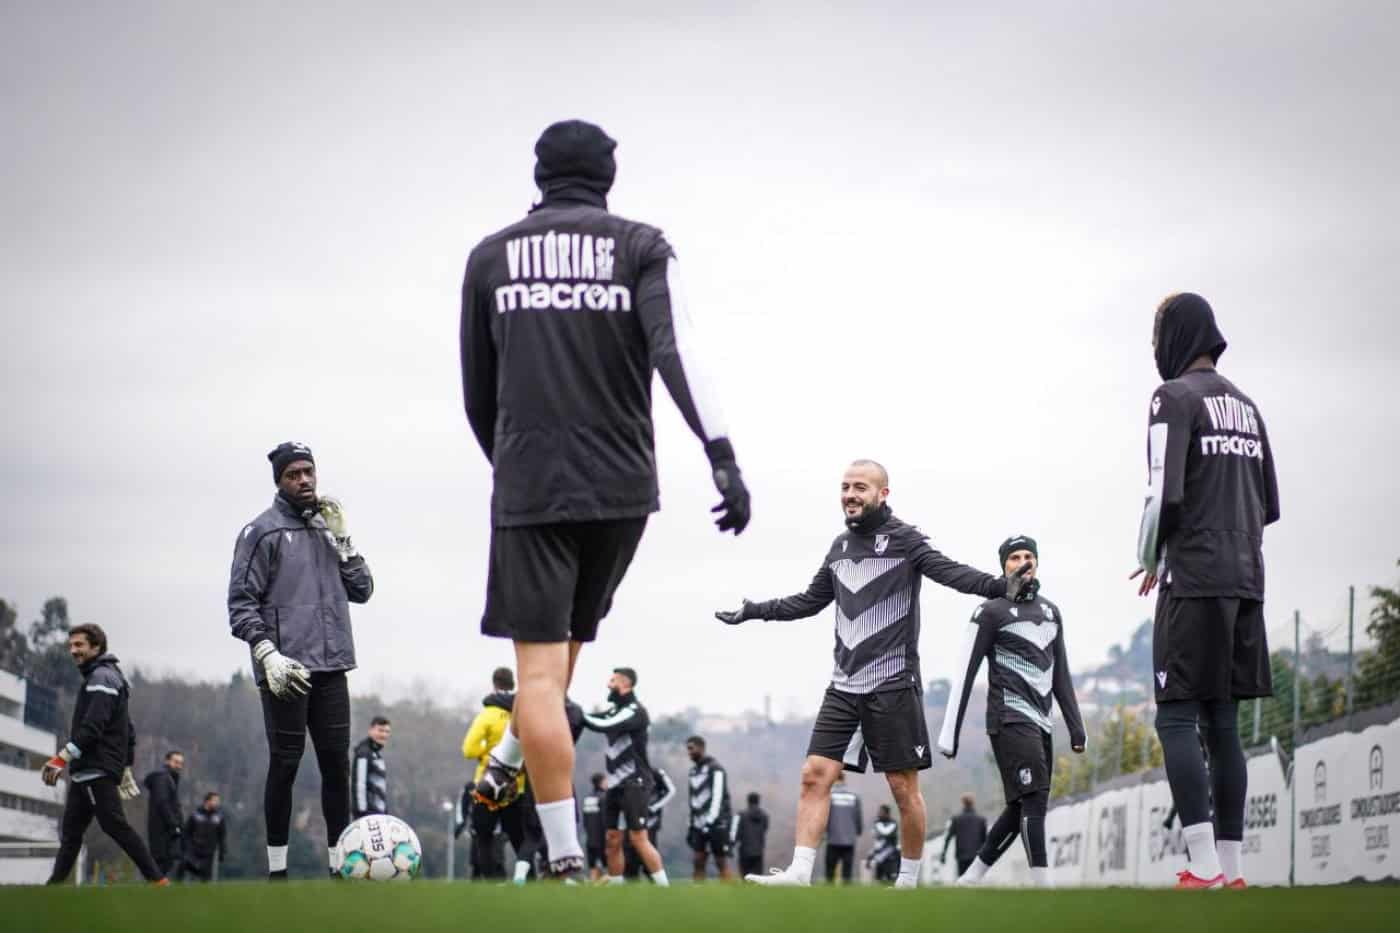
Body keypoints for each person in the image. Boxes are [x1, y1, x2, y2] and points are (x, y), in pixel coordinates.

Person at [461, 119, 751, 880]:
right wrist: (719, 453)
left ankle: (560, 856)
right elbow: (675, 348)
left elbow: (475, 391)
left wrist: (516, 467)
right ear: (608, 177)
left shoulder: (490, 257)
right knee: (566, 656)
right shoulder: (642, 245)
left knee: (539, 678)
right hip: (622, 489)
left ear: (539, 174)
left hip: (531, 485)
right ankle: (515, 753)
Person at [716, 460, 1032, 888]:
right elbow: (809, 601)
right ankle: (799, 873)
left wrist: (1001, 586)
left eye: (860, 487)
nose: (850, 494)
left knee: (903, 790)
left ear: (883, 494)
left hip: (893, 685)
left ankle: (907, 880)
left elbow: (951, 572)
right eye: (845, 487)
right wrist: (755, 611)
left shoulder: (905, 540)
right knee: (814, 774)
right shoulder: (839, 548)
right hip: (843, 685)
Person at [1133, 293, 1279, 889]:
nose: (1153, 350)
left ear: (1177, 336)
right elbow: (1269, 505)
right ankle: (1233, 871)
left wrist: (1150, 556)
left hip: (1193, 576)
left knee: (1175, 717)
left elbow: (1162, 489)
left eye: (1156, 336)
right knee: (1224, 722)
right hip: (1246, 577)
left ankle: (1202, 867)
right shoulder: (1247, 405)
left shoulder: (1172, 397)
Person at [227, 441, 375, 879]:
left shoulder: (328, 529)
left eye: (309, 471)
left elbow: (363, 590)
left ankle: (339, 867)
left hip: (332, 667)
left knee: (336, 767)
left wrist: (344, 540)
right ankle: (278, 871)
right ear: (279, 481)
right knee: (285, 764)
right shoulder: (261, 532)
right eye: (294, 474)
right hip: (285, 671)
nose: (304, 480)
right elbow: (240, 604)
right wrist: (267, 652)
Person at [939, 536, 1086, 887]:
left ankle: (971, 878)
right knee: (1034, 797)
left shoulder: (1051, 612)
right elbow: (964, 673)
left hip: (1042, 721)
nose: (1023, 562)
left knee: (1023, 804)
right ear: (1003, 565)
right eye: (1014, 557)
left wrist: (1076, 727)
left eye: (1029, 556)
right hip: (1008, 718)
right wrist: (950, 734)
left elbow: (1061, 672)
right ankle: (1043, 886)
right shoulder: (990, 611)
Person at [43, 624, 166, 885]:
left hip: (94, 769)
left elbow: (92, 728)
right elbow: (128, 730)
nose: (73, 650)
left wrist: (59, 759)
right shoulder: (105, 676)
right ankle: (52, 889)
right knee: (72, 835)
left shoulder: (101, 678)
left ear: (96, 647)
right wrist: (126, 765)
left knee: (114, 825)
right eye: (71, 645)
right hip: (87, 770)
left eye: (79, 645)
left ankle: (158, 881)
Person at [579, 668, 669, 885]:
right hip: (615, 785)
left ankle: (665, 888)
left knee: (638, 838)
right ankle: (618, 891)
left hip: (635, 783)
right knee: (612, 839)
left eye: (612, 680)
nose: (608, 684)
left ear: (626, 685)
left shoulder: (635, 711)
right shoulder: (614, 710)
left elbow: (601, 724)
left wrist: (577, 714)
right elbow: (592, 718)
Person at [463, 669, 526, 879]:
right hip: (517, 785)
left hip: (487, 783)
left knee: (484, 836)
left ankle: (489, 882)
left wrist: (489, 753)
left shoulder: (487, 714)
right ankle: (529, 878)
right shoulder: (522, 713)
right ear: (513, 684)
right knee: (519, 838)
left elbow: (468, 750)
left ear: (494, 685)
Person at [685, 735, 734, 881]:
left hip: (717, 823)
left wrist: (710, 820)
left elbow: (718, 796)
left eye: (691, 748)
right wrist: (691, 822)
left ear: (701, 748)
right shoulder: (693, 771)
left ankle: (732, 897)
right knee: (698, 861)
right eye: (687, 749)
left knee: (721, 861)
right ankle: (698, 895)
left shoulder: (716, 768)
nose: (689, 752)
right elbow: (693, 799)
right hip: (698, 824)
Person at [624, 766, 676, 880]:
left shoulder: (656, 772)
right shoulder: (626, 774)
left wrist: (655, 807)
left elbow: (671, 790)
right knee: (630, 863)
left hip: (650, 824)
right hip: (631, 823)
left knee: (648, 861)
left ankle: (660, 887)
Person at [143, 750, 184, 877]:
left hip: (165, 828)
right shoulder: (163, 778)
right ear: (167, 761)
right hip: (162, 828)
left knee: (166, 862)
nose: (179, 766)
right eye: (176, 762)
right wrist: (174, 824)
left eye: (180, 763)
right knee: (162, 861)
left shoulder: (170, 779)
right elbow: (162, 803)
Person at [180, 792, 228, 882]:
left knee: (205, 878)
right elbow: (186, 833)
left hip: (209, 852)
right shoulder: (195, 815)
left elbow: (222, 836)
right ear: (208, 801)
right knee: (184, 865)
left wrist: (222, 851)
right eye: (215, 800)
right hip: (194, 849)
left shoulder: (219, 817)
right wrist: (186, 847)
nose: (218, 803)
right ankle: (177, 884)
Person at [939, 793, 988, 878]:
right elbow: (985, 840)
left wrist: (943, 853)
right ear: (973, 803)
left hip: (961, 855)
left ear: (963, 803)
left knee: (962, 879)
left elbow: (948, 838)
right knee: (974, 879)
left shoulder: (956, 819)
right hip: (976, 855)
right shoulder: (981, 820)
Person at [824, 773, 862, 883]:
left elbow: (826, 815)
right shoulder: (854, 796)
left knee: (830, 869)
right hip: (849, 838)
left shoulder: (830, 795)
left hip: (833, 837)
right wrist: (858, 831)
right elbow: (858, 816)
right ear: (844, 779)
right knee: (847, 869)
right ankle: (847, 892)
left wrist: (823, 832)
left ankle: (828, 893)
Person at [353, 716, 391, 818]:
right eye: (380, 730)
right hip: (368, 817)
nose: (384, 735)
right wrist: (362, 814)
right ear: (370, 731)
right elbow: (359, 784)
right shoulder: (363, 753)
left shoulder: (376, 754)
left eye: (387, 732)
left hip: (379, 815)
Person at [736, 792, 770, 878]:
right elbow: (765, 828)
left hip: (744, 849)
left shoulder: (741, 815)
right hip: (759, 850)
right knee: (757, 877)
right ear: (758, 801)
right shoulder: (764, 816)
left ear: (748, 801)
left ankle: (745, 891)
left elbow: (736, 832)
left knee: (745, 876)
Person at [581, 773, 608, 881]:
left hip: (590, 839)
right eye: (606, 781)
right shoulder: (604, 798)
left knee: (593, 868)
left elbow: (585, 820)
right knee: (609, 869)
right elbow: (605, 820)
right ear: (601, 783)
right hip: (602, 839)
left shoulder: (587, 798)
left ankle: (593, 888)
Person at [867, 804, 900, 883]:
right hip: (879, 852)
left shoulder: (893, 823)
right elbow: (876, 838)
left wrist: (877, 832)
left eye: (881, 812)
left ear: (887, 813)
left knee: (890, 877)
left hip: (891, 853)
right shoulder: (877, 822)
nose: (879, 813)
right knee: (879, 877)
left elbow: (886, 832)